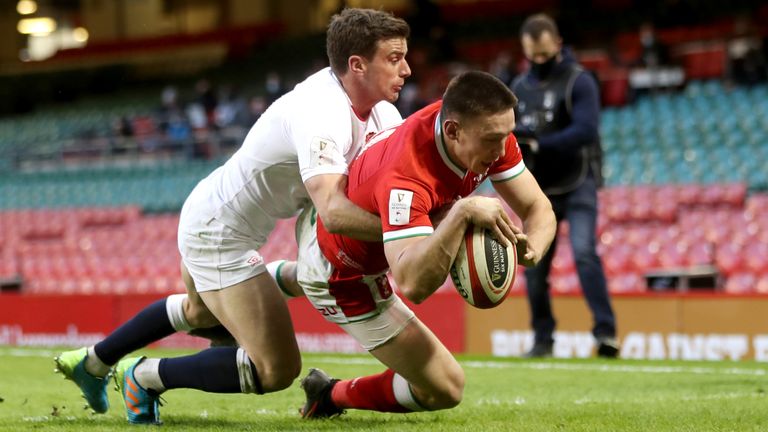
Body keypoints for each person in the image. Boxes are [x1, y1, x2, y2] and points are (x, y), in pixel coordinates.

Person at [53, 8, 411, 424]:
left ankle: (93, 361)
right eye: (395, 57)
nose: (406, 68)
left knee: (200, 313)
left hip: (220, 213)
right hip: (217, 233)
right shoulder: (321, 109)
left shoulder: (382, 113)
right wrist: (414, 233)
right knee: (276, 368)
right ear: (357, 65)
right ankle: (145, 375)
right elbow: (332, 209)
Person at [286, 71, 556, 417]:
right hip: (342, 274)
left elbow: (539, 209)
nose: (502, 149)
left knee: (299, 273)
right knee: (445, 387)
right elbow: (413, 283)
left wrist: (532, 248)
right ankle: (330, 395)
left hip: (348, 239)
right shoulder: (407, 176)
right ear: (453, 131)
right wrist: (461, 213)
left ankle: (265, 282)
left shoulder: (481, 129)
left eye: (507, 135)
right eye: (492, 139)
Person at [510, 13, 619, 358]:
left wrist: (540, 143)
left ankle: (606, 334)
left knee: (585, 253)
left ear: (557, 45)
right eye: (533, 56)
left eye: (544, 54)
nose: (539, 62)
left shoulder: (579, 81)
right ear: (525, 51)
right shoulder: (518, 88)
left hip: (577, 183)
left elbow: (586, 130)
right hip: (538, 190)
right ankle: (543, 339)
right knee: (534, 265)